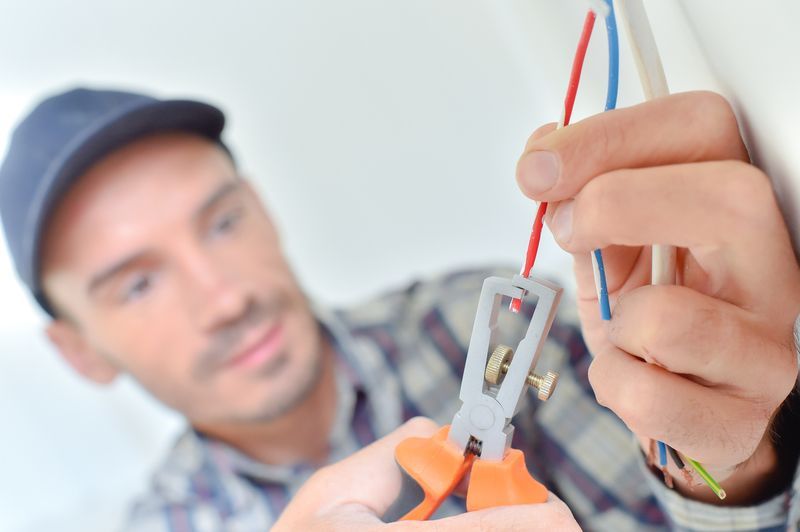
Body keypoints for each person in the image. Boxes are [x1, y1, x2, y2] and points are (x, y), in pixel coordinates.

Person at [0, 85, 798, 532]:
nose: (225, 297)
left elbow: (697, 504)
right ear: (81, 354)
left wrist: (729, 463)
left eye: (222, 221)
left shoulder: (485, 329)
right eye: (137, 284)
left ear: (264, 208)